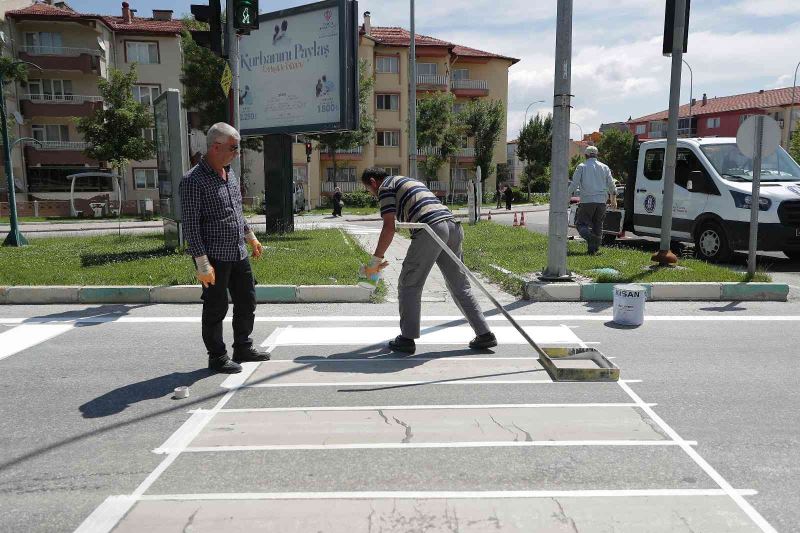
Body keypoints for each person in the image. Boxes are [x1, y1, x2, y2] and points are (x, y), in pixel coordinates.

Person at [360, 167, 497, 354]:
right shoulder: (407, 181)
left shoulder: (385, 187)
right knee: (459, 285)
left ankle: (406, 339)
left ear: (373, 182)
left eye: (369, 190)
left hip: (431, 228)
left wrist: (375, 260)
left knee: (409, 283)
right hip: (453, 227)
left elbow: (389, 227)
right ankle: (484, 333)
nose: (372, 194)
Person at [180, 122, 270, 374]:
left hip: (237, 252)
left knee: (247, 301)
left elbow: (236, 211)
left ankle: (242, 347)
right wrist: (202, 263)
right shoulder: (192, 181)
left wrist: (250, 236)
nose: (237, 153)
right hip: (213, 258)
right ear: (216, 147)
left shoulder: (229, 173)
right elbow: (190, 225)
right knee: (216, 308)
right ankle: (217, 356)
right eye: (234, 147)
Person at [568, 145, 617, 255]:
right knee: (598, 225)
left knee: (580, 224)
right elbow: (611, 184)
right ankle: (593, 250)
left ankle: (590, 238)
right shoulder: (605, 167)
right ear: (597, 155)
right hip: (601, 202)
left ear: (586, 155)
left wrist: (567, 197)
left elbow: (574, 184)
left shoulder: (582, 166)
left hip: (587, 200)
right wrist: (613, 199)